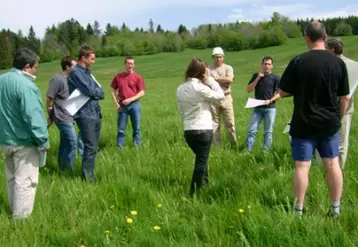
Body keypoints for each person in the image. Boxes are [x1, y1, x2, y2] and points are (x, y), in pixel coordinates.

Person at [278, 22, 350, 217]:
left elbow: (283, 91)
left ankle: (298, 210)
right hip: (329, 124)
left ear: (307, 39)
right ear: (325, 37)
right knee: (333, 164)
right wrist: (339, 117)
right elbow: (345, 97)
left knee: (302, 167)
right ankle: (335, 208)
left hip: (303, 123)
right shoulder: (338, 62)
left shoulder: (298, 61)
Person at [0, 48, 50, 218]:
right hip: (24, 142)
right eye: (35, 67)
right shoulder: (27, 86)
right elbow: (33, 117)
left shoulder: (1, 80)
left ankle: (14, 210)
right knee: (25, 182)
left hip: (4, 140)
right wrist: (43, 141)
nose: (36, 70)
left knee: (12, 179)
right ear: (27, 67)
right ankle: (21, 221)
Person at [176, 58, 225, 196]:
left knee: (202, 158)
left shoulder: (180, 88)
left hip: (188, 131)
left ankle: (205, 183)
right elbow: (220, 95)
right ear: (202, 73)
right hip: (204, 130)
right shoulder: (201, 88)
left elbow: (181, 111)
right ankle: (193, 193)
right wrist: (210, 80)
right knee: (201, 163)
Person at [67, 46, 104, 182]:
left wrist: (96, 92)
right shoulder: (76, 72)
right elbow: (90, 90)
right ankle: (88, 178)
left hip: (95, 112)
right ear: (84, 58)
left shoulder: (88, 72)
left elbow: (100, 91)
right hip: (84, 113)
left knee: (93, 146)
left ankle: (90, 174)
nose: (94, 61)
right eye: (92, 59)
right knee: (90, 146)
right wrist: (96, 92)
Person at [325, 38, 358, 169]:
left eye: (326, 49)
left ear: (332, 50)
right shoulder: (355, 65)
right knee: (342, 142)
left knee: (325, 139)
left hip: (328, 108)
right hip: (346, 109)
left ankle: (327, 169)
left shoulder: (328, 65)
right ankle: (339, 169)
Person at [46, 56, 78, 174]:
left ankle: (62, 169)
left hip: (70, 116)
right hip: (61, 117)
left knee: (65, 143)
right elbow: (49, 98)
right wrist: (50, 114)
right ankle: (68, 170)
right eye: (74, 66)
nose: (77, 68)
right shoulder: (57, 79)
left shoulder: (72, 79)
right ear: (67, 67)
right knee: (72, 142)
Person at [245, 56, 280, 152]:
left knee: (268, 132)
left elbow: (279, 93)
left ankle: (265, 153)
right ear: (262, 65)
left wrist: (271, 100)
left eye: (269, 64)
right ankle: (248, 151)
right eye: (265, 64)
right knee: (252, 130)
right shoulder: (256, 75)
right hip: (257, 108)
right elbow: (248, 90)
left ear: (272, 66)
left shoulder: (276, 78)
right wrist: (257, 79)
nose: (266, 66)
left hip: (270, 108)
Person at [110, 56, 145, 149]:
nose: (130, 65)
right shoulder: (118, 77)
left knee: (136, 128)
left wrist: (131, 99)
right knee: (121, 129)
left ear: (134, 65)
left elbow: (142, 92)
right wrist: (116, 103)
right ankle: (120, 148)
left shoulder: (138, 77)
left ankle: (137, 147)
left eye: (132, 64)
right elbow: (113, 90)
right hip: (122, 106)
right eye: (128, 63)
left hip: (135, 105)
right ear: (125, 64)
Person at [209, 47, 237, 146]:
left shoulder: (228, 68)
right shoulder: (208, 69)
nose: (218, 59)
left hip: (226, 97)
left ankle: (234, 145)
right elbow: (207, 82)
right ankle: (217, 147)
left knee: (230, 124)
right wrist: (223, 80)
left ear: (223, 57)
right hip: (213, 99)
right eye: (216, 57)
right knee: (214, 125)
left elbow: (229, 80)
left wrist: (215, 78)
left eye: (220, 57)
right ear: (213, 58)